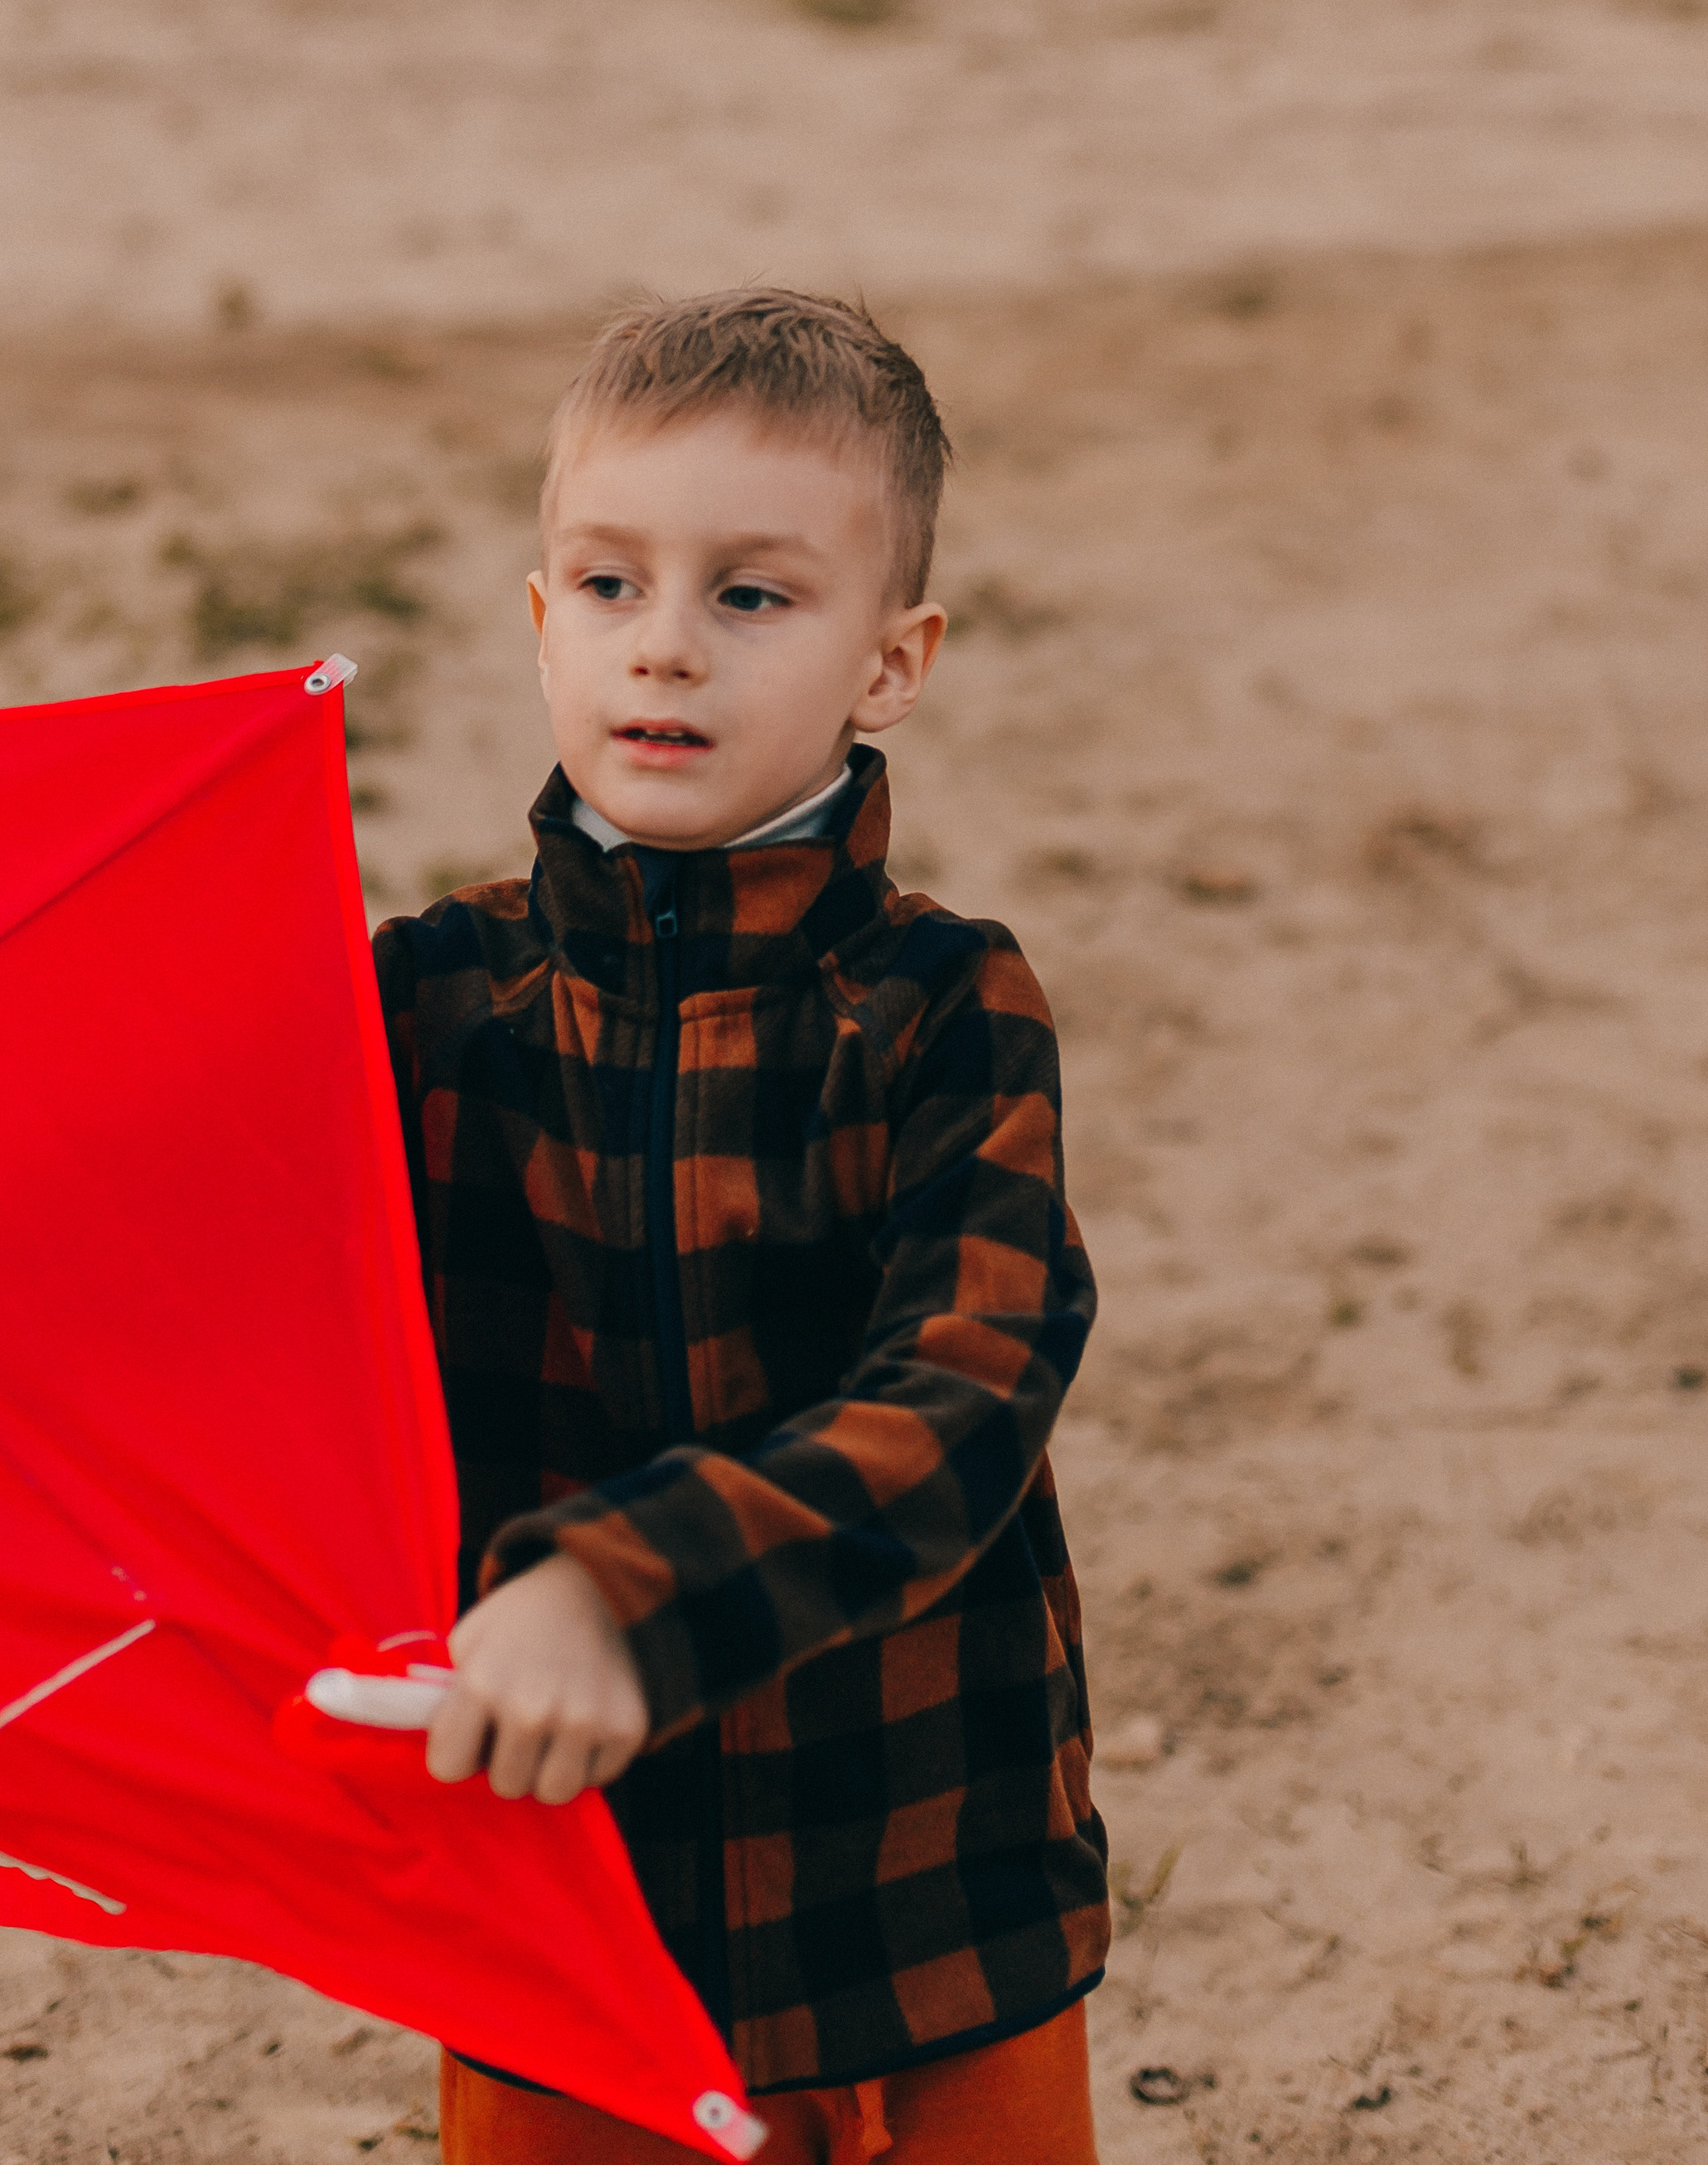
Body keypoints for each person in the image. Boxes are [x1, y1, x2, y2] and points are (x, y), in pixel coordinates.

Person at [374, 288, 1107, 2165]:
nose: (666, 652)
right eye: (608, 586)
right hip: (557, 1878)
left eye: (750, 595)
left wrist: (622, 1589)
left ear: (890, 659)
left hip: (916, 1879)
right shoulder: (423, 998)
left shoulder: (946, 1004)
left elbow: (965, 1390)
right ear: (540, 621)